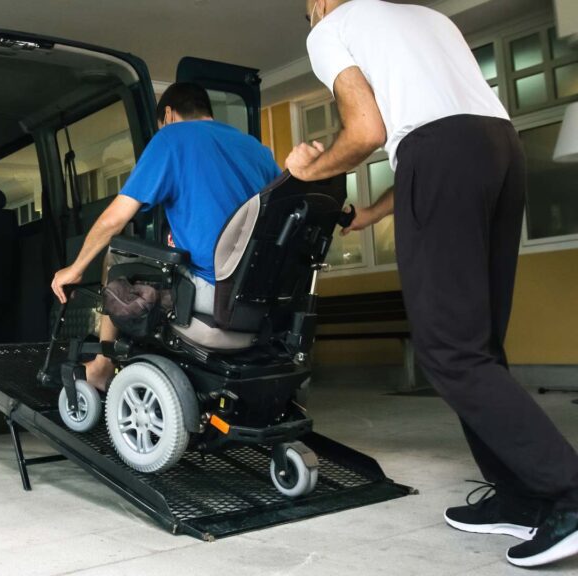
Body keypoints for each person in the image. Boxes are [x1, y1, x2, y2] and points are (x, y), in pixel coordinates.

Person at [288, 0, 578, 567]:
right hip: (501, 151)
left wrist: (307, 170)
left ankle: (569, 492)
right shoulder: (429, 19)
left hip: (444, 157)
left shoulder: (330, 29)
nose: (310, 19)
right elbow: (448, 132)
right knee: (480, 347)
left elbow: (368, 131)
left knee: (450, 351)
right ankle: (521, 493)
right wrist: (370, 213)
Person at [50, 82, 280, 390]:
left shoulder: (171, 138)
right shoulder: (257, 149)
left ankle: (103, 366)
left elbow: (115, 219)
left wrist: (75, 268)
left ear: (169, 115)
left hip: (210, 292)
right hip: (257, 298)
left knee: (116, 253)